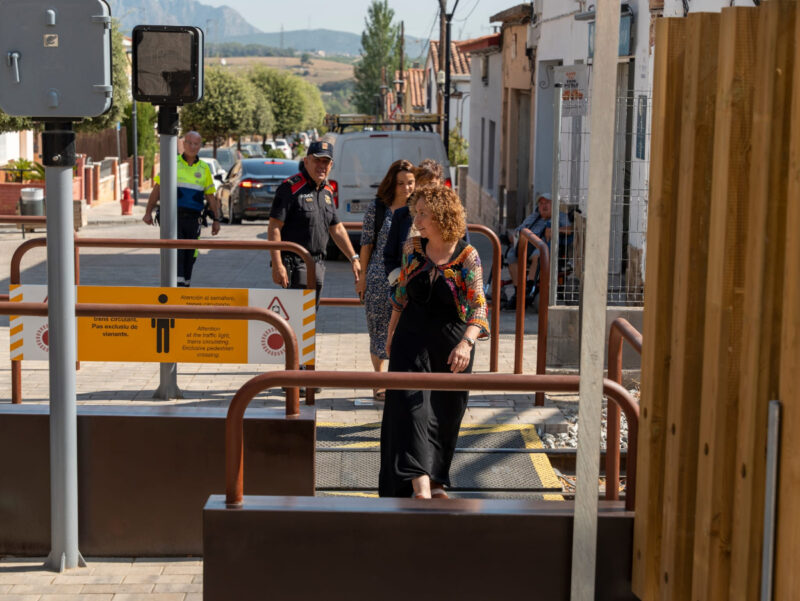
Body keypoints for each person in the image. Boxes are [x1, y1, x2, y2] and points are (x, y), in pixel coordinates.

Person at [379, 184, 490, 499]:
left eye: (423, 213)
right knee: (412, 410)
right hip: (410, 339)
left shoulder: (468, 256)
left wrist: (467, 343)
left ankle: (437, 481)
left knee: (443, 414)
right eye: (416, 212)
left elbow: (479, 307)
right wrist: (389, 333)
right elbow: (400, 295)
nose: (417, 220)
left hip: (451, 345)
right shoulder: (413, 247)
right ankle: (421, 487)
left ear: (442, 216)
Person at [268, 140, 361, 303]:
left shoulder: (327, 191)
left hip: (318, 264)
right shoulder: (290, 188)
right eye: (317, 160)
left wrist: (353, 258)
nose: (321, 165)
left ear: (331, 164)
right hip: (296, 265)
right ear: (306, 161)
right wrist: (277, 265)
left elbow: (337, 228)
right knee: (296, 318)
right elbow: (274, 227)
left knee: (310, 316)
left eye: (325, 161)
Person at [355, 159, 416, 402]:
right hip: (379, 277)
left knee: (405, 330)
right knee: (378, 330)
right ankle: (380, 382)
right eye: (401, 183)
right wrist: (362, 278)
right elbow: (366, 244)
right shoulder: (378, 208)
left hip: (410, 277)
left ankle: (399, 380)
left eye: (410, 183)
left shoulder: (418, 209)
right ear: (392, 183)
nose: (406, 188)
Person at [143, 131, 221, 287]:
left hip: (193, 221)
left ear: (200, 146)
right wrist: (148, 212)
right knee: (176, 256)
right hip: (173, 219)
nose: (192, 146)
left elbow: (210, 196)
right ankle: (176, 296)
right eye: (189, 143)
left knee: (189, 258)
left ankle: (184, 293)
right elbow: (157, 189)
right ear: (183, 144)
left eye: (196, 143)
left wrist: (216, 220)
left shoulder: (204, 168)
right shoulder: (172, 164)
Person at [504, 192, 572, 308]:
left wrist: (555, 229)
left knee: (537, 255)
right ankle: (518, 293)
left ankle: (530, 287)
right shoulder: (533, 217)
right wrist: (513, 237)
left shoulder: (560, 216)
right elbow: (519, 229)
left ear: (554, 205)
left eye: (547, 203)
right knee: (511, 256)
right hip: (526, 245)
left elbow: (569, 230)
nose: (544, 206)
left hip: (543, 246)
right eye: (541, 203)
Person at [383, 158, 444, 286]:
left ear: (440, 185)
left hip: (442, 288)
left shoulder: (451, 217)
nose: (427, 190)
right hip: (408, 292)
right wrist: (399, 281)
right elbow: (389, 256)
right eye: (423, 184)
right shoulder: (402, 215)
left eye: (432, 184)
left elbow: (463, 254)